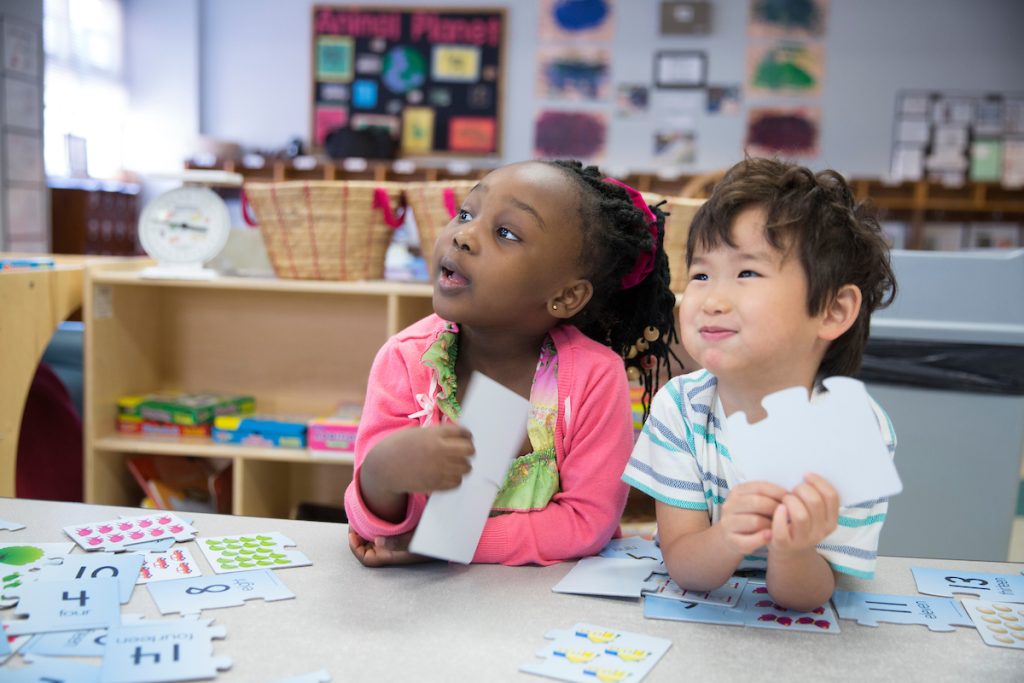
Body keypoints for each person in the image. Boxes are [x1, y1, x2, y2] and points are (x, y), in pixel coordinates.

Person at [345, 159, 680, 566]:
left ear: (567, 296)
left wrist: (442, 546)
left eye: (506, 232)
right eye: (466, 214)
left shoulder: (595, 377)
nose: (464, 236)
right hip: (429, 607)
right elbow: (378, 533)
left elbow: (586, 522)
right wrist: (381, 475)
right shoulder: (406, 359)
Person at [623, 157, 898, 611]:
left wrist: (793, 549)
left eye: (747, 273)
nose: (711, 299)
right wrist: (729, 534)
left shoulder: (856, 431)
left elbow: (810, 595)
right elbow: (687, 568)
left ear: (832, 310)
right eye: (701, 274)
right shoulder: (682, 408)